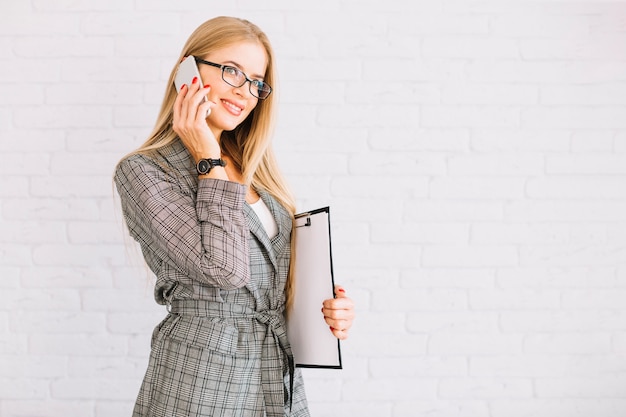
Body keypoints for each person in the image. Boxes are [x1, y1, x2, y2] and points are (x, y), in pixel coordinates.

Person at [113, 16, 355, 417]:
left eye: (255, 82)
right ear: (186, 72)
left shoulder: (258, 167)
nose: (244, 92)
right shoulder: (145, 171)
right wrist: (207, 156)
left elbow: (271, 278)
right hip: (202, 379)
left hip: (277, 376)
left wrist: (325, 309)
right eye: (231, 71)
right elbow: (224, 270)